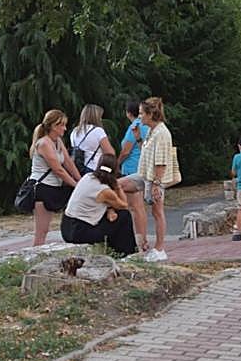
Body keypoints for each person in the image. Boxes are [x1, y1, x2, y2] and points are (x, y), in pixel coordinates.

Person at [60, 153, 138, 256]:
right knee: (124, 216)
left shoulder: (87, 177)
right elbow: (124, 204)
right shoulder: (105, 191)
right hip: (80, 232)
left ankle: (116, 250)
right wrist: (117, 186)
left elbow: (98, 202)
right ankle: (125, 253)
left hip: (67, 227)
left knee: (113, 217)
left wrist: (110, 210)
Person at [29, 109, 80, 247]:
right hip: (42, 187)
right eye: (61, 125)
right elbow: (58, 169)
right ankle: (35, 256)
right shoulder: (44, 143)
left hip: (53, 187)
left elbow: (68, 162)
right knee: (41, 230)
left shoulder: (57, 141)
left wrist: (80, 179)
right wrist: (76, 185)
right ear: (53, 126)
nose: (64, 128)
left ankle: (38, 253)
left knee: (46, 229)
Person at [134, 97, 174, 262]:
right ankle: (143, 243)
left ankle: (160, 248)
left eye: (141, 113)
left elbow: (161, 161)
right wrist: (138, 138)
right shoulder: (152, 131)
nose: (139, 117)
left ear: (150, 114)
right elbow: (146, 150)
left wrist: (157, 184)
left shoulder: (162, 133)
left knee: (158, 212)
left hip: (155, 179)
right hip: (145, 176)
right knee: (123, 187)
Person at [117, 100, 150, 245]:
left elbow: (126, 151)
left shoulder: (134, 126)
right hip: (140, 166)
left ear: (128, 113)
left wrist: (116, 164)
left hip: (132, 168)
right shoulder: (147, 126)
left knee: (135, 207)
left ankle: (140, 239)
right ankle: (142, 238)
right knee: (138, 206)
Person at [69, 104, 114, 175]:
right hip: (93, 168)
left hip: (77, 169)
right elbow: (110, 153)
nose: (101, 119)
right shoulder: (98, 131)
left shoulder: (75, 131)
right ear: (96, 117)